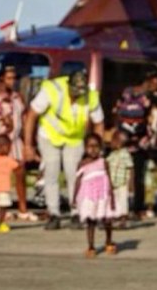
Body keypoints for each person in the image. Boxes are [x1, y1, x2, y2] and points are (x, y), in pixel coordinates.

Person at [23, 68, 104, 230]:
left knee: (74, 174)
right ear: (68, 85)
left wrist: (97, 149)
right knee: (51, 172)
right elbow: (31, 115)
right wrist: (28, 146)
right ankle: (54, 214)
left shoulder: (90, 96)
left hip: (74, 138)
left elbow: (99, 123)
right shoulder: (52, 90)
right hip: (49, 135)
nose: (76, 96)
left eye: (79, 92)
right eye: (74, 91)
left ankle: (76, 212)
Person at [0, 66, 37, 221]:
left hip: (15, 140)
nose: (12, 82)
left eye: (14, 78)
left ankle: (22, 208)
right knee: (0, 175)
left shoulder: (17, 97)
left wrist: (28, 140)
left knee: (20, 171)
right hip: (0, 141)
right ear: (1, 79)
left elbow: (24, 115)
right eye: (8, 78)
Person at [113, 67, 157, 219]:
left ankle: (136, 207)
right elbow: (117, 112)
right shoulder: (138, 96)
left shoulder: (144, 96)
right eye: (154, 81)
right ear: (146, 81)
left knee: (138, 174)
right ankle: (125, 207)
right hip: (128, 138)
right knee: (126, 174)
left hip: (139, 140)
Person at [73, 133, 116, 257]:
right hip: (89, 197)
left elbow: (109, 180)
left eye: (96, 146)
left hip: (103, 196)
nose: (93, 149)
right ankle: (91, 246)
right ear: (85, 148)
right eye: (90, 146)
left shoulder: (104, 162)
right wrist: (74, 198)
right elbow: (77, 181)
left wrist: (112, 197)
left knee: (107, 220)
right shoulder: (82, 164)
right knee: (91, 221)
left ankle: (108, 241)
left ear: (101, 147)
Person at [106, 129, 134, 227]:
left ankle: (123, 219)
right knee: (115, 201)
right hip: (113, 182)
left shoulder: (125, 154)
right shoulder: (112, 155)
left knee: (123, 201)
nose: (111, 144)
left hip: (122, 183)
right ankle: (115, 217)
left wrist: (131, 182)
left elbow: (130, 168)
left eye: (113, 141)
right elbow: (107, 165)